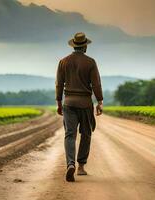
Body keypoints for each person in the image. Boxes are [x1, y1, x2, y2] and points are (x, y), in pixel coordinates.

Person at [55, 32, 103, 182]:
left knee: (70, 134)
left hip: (68, 103)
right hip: (85, 103)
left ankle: (70, 164)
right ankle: (81, 166)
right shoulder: (90, 62)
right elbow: (96, 84)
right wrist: (100, 101)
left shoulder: (63, 62)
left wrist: (58, 102)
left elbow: (59, 84)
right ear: (85, 47)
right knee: (86, 133)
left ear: (74, 45)